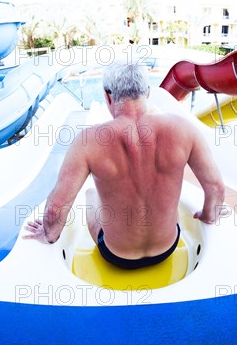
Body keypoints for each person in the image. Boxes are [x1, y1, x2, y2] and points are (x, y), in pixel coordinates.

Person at [23, 62, 225, 269]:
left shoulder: (88, 141)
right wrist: (209, 216)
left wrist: (48, 235)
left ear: (108, 96)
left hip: (116, 256)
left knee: (91, 194)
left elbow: (57, 207)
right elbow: (216, 187)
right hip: (168, 248)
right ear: (147, 93)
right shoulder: (183, 129)